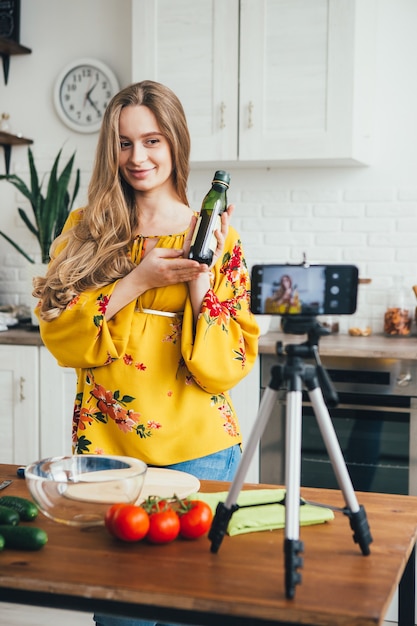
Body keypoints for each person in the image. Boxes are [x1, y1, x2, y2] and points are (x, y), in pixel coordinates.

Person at [33, 80, 259, 626]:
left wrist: (199, 278)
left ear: (175, 143)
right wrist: (138, 279)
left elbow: (226, 365)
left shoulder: (217, 236)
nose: (138, 157)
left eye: (152, 141)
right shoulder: (84, 231)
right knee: (119, 614)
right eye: (124, 142)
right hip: (108, 454)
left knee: (194, 609)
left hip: (199, 449)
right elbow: (59, 333)